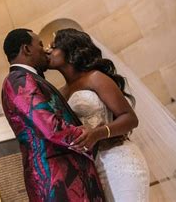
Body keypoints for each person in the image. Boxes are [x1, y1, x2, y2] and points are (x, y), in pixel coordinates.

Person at [1, 28, 105, 202]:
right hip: (57, 179)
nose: (46, 50)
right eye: (40, 45)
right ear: (26, 49)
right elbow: (50, 127)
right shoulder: (18, 80)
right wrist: (89, 133)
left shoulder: (28, 78)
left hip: (68, 174)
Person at [47, 28, 149, 201]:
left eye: (54, 47)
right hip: (90, 169)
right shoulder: (60, 94)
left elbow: (130, 118)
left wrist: (97, 133)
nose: (48, 51)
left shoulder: (95, 78)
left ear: (69, 49)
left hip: (119, 160)